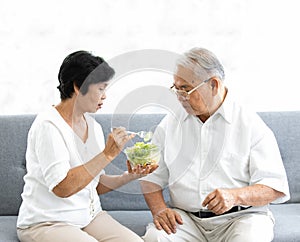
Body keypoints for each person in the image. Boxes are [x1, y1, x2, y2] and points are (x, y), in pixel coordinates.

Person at [140, 47, 290, 242]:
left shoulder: (250, 124)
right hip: (188, 220)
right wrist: (160, 210)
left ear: (213, 84)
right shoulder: (170, 123)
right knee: (155, 237)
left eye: (185, 89)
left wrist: (235, 196)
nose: (179, 96)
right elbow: (151, 177)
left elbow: (274, 186)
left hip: (241, 218)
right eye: (175, 88)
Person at [17, 50, 156, 242]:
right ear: (77, 87)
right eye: (100, 89)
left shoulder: (93, 126)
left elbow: (94, 185)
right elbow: (62, 188)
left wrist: (129, 177)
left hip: (89, 217)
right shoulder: (48, 127)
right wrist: (107, 155)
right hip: (48, 222)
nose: (105, 96)